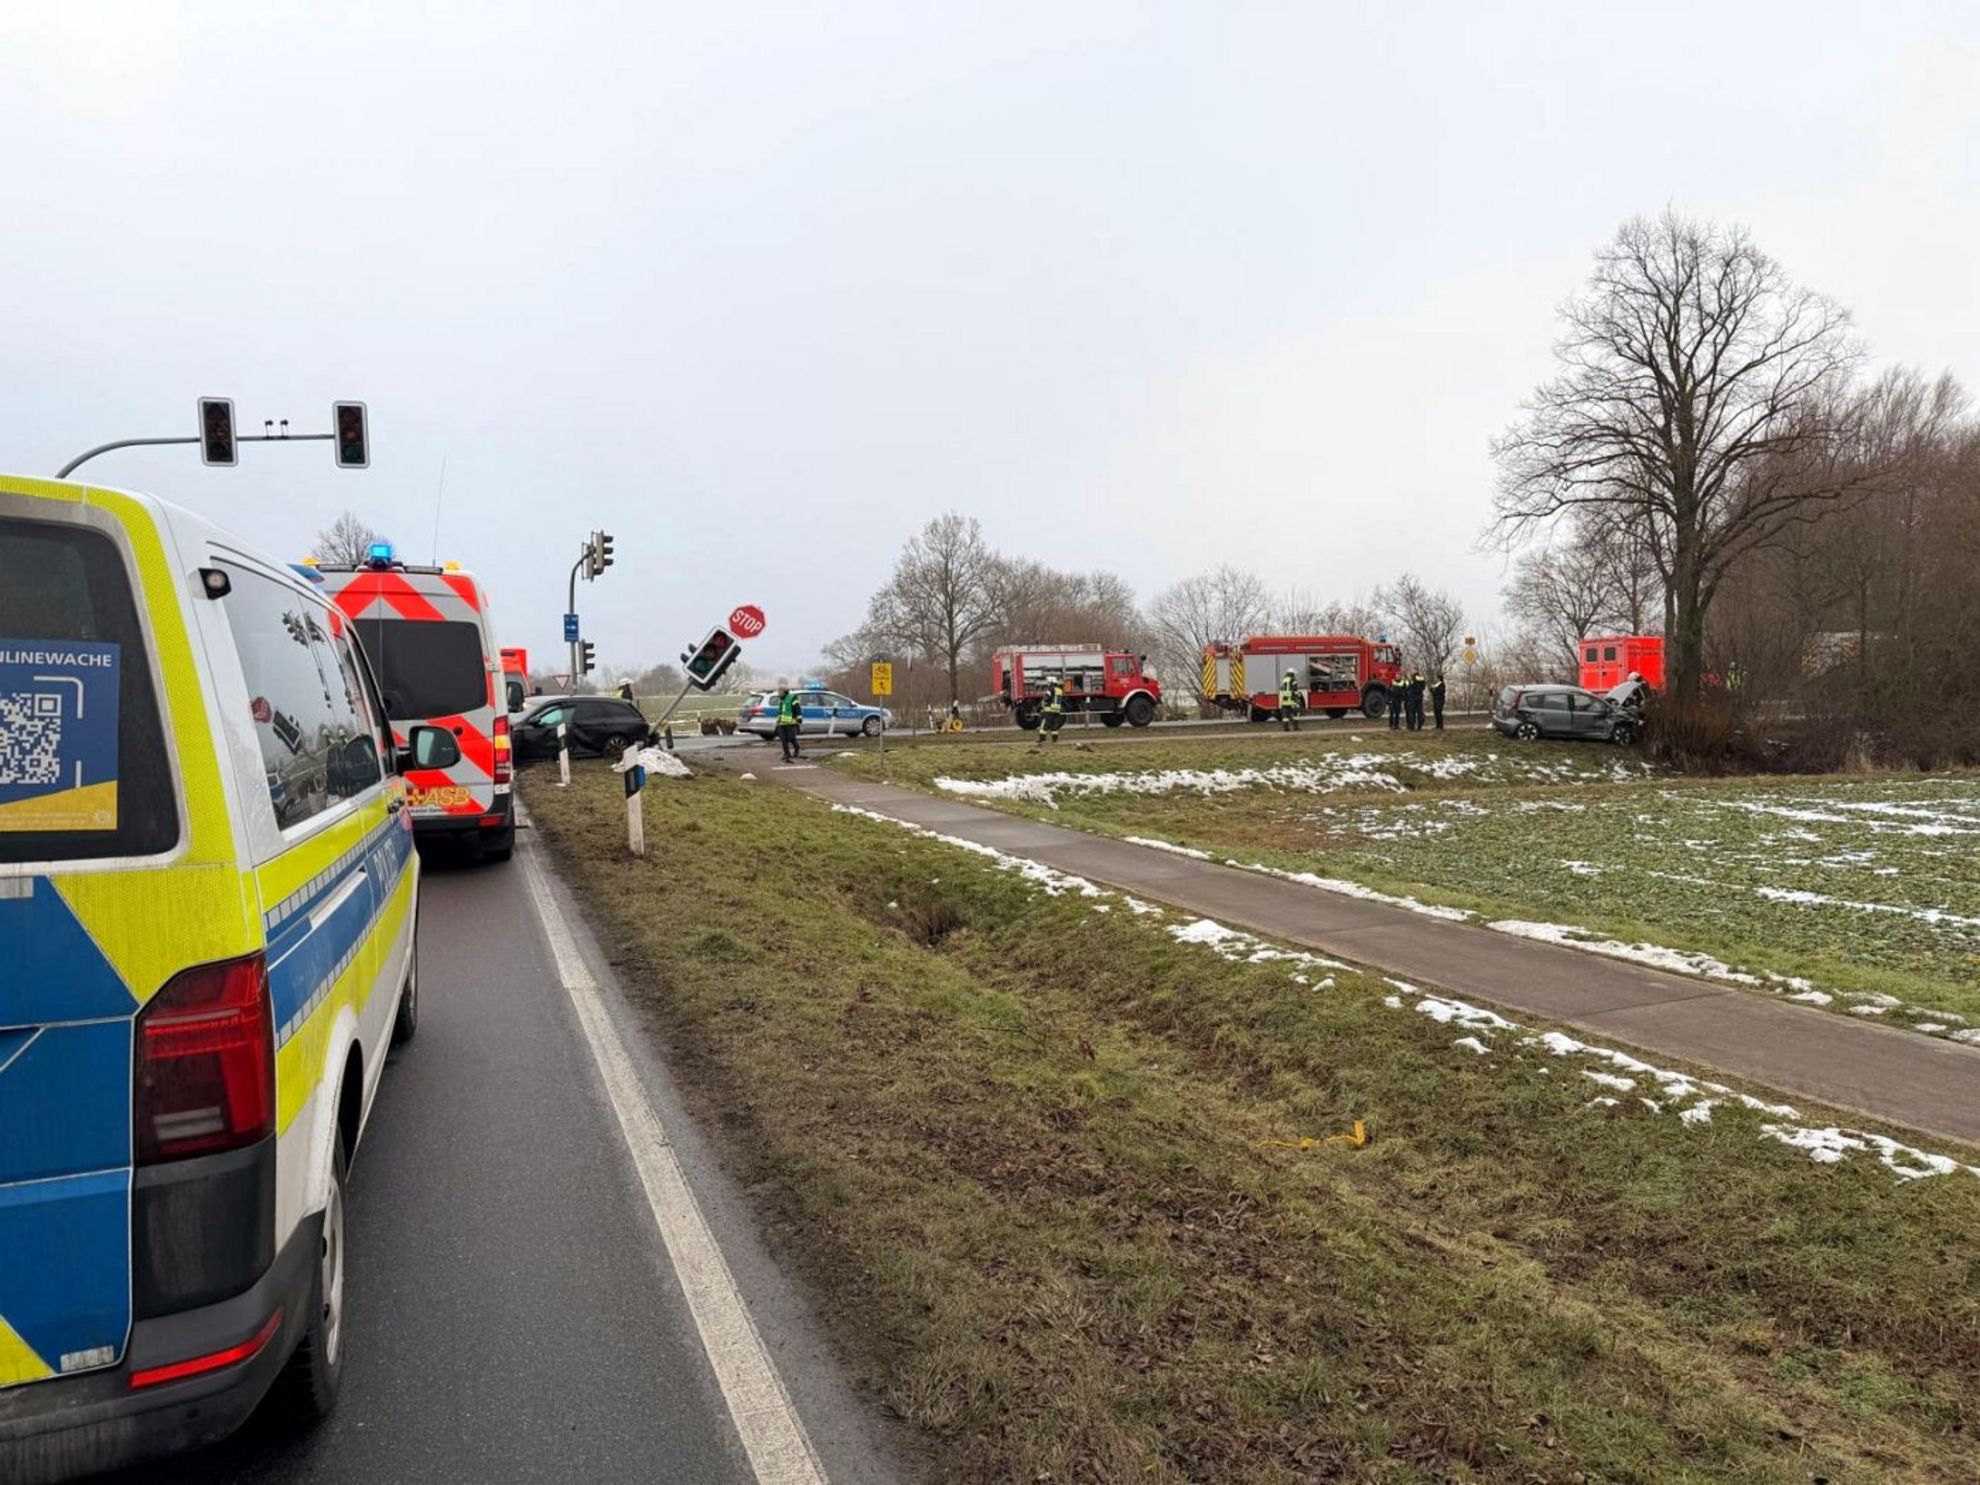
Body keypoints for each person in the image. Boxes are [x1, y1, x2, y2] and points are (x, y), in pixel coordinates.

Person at [1035, 680, 1066, 745]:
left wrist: (1040, 706)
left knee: (1044, 724)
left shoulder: (1050, 689)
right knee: (1054, 725)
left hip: (1049, 710)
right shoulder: (1059, 690)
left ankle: (1042, 738)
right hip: (1057, 710)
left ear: (1051, 683)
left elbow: (1046, 698)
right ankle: (1054, 740)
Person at [775, 687, 801, 761]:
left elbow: (797, 709)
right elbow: (781, 711)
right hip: (782, 723)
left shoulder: (792, 698)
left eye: (779, 692)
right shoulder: (781, 699)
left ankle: (796, 749)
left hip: (791, 722)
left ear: (784, 692)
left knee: (791, 738)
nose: (778, 693)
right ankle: (787, 754)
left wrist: (799, 718)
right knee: (783, 739)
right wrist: (778, 720)